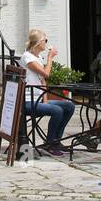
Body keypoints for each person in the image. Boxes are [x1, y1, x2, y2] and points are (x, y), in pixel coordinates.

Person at [19, 28, 75, 157]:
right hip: (27, 101)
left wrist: (45, 100)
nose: (46, 43)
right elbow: (46, 74)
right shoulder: (28, 57)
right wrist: (50, 58)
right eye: (45, 40)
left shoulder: (37, 56)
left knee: (69, 106)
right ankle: (49, 144)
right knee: (57, 110)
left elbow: (42, 80)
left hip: (37, 98)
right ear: (38, 43)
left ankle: (56, 140)